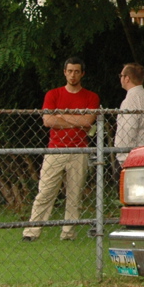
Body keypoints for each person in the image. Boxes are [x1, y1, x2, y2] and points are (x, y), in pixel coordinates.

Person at [23, 57, 100, 241]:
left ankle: (68, 233)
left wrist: (62, 116)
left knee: (75, 194)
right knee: (46, 191)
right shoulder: (53, 94)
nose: (73, 75)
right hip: (55, 149)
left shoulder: (91, 97)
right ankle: (32, 232)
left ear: (82, 74)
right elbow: (48, 120)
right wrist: (76, 120)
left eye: (76, 71)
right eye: (70, 71)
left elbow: (88, 121)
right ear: (64, 72)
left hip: (79, 150)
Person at [114, 63, 144, 165]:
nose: (120, 78)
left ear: (127, 78)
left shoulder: (130, 101)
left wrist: (123, 158)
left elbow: (128, 130)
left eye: (121, 76)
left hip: (134, 156)